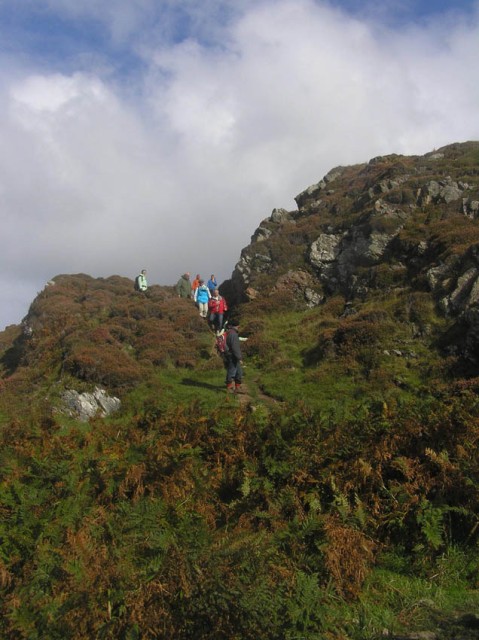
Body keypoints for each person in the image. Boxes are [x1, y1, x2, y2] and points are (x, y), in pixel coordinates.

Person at [225, 319, 243, 393]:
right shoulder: (233, 334)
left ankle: (237, 388)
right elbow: (235, 347)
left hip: (232, 355)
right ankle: (229, 388)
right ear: (237, 326)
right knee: (232, 371)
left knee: (239, 372)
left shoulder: (230, 332)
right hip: (233, 355)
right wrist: (239, 358)